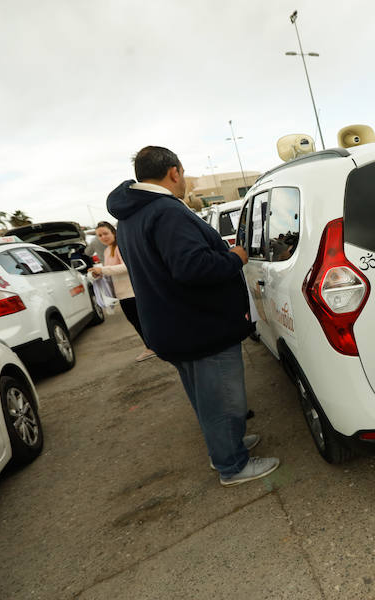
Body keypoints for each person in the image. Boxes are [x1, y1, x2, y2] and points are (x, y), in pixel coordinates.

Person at [106, 146, 279, 487]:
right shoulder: (166, 211)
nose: (182, 181)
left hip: (171, 326)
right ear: (174, 172)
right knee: (224, 400)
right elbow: (192, 267)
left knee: (206, 399)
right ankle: (232, 464)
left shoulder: (128, 216)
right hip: (200, 327)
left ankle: (226, 447)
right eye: (182, 174)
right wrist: (236, 258)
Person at [88, 221, 156, 362]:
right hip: (122, 294)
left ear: (113, 232)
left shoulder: (120, 247)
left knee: (141, 321)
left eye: (105, 233)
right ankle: (152, 346)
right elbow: (111, 271)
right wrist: (99, 273)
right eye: (99, 235)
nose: (103, 237)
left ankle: (153, 347)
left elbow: (127, 266)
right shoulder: (108, 250)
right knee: (137, 321)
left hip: (132, 291)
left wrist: (103, 270)